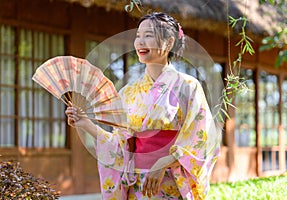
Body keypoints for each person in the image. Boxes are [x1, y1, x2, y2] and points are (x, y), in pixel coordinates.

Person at [65, 12, 221, 200]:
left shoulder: (188, 86)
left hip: (170, 180)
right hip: (136, 183)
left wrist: (165, 162)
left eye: (148, 35)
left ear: (169, 42)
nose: (140, 41)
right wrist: (86, 124)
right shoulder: (128, 92)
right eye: (138, 35)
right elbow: (121, 145)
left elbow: (202, 138)